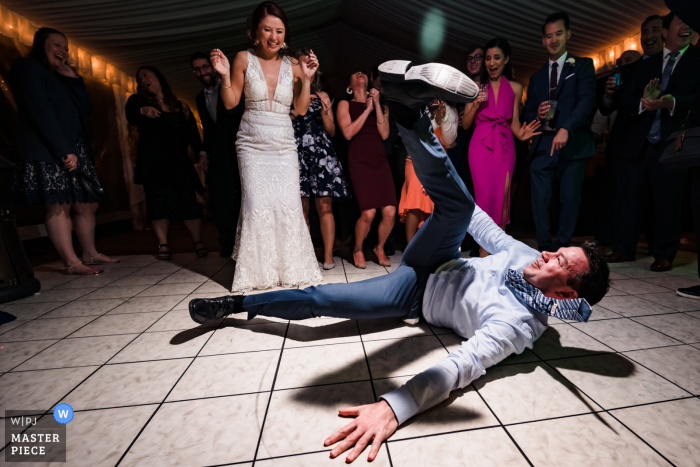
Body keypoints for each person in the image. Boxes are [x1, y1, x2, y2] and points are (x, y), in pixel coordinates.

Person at [188, 61, 610, 463]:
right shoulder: (527, 255)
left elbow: (462, 365)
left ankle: (238, 306)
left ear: (566, 292)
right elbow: (483, 226)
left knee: (325, 299)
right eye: (560, 248)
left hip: (413, 293)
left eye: (561, 261)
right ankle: (411, 114)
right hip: (438, 256)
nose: (549, 252)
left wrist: (394, 408)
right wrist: (446, 192)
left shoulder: (516, 325)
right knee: (463, 210)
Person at [210, 0, 322, 292]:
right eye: (268, 30)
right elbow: (232, 101)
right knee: (256, 205)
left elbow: (298, 109)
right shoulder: (243, 59)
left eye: (280, 31)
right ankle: (258, 275)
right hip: (252, 143)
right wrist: (224, 75)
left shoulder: (294, 65)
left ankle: (291, 270)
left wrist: (307, 80)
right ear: (254, 32)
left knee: (288, 206)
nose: (274, 37)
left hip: (283, 144)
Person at [9, 27, 118, 275]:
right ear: (41, 45)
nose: (63, 51)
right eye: (57, 44)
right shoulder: (26, 66)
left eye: (66, 48)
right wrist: (63, 149)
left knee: (87, 202)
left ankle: (89, 253)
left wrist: (71, 76)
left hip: (74, 145)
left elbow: (86, 109)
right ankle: (71, 261)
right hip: (49, 145)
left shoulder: (60, 76)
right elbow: (41, 110)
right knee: (59, 203)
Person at [610, 12, 700, 272]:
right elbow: (622, 101)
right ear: (665, 31)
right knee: (629, 198)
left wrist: (669, 102)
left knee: (669, 201)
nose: (687, 27)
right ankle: (623, 248)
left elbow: (695, 99)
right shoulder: (643, 65)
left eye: (691, 24)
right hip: (638, 143)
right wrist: (644, 102)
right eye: (680, 22)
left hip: (673, 143)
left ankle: (664, 253)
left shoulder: (697, 61)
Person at [524, 12, 597, 252]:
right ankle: (543, 246)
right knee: (540, 198)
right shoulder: (535, 78)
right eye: (548, 36)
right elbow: (527, 113)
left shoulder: (583, 65)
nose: (553, 39)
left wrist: (566, 127)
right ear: (543, 41)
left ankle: (563, 245)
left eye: (558, 33)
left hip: (573, 141)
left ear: (568, 34)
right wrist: (537, 114)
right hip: (543, 144)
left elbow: (587, 100)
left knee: (569, 198)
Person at [462, 38, 542, 257]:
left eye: (496, 57)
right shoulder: (475, 88)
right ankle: (482, 253)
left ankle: (497, 255)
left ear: (506, 59)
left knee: (502, 200)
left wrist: (522, 134)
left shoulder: (516, 88)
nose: (491, 62)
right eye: (488, 58)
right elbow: (466, 124)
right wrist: (476, 104)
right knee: (483, 198)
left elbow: (514, 123)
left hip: (506, 147)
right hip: (479, 146)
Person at [125, 66, 207, 260]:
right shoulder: (138, 101)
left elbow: (193, 136)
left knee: (189, 201)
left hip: (180, 161)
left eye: (146, 74)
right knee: (158, 203)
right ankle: (163, 244)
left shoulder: (181, 106)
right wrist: (143, 110)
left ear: (158, 77)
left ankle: (197, 241)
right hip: (155, 163)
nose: (143, 79)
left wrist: (202, 155)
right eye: (139, 78)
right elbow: (131, 115)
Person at [291, 65, 350, 269]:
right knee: (302, 210)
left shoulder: (322, 94)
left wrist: (326, 113)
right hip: (295, 153)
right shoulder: (287, 95)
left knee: (325, 206)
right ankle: (306, 257)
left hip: (321, 153)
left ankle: (328, 256)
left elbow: (333, 131)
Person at [337, 71, 395, 269]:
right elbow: (347, 132)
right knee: (368, 212)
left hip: (379, 159)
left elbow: (385, 133)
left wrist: (376, 104)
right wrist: (366, 109)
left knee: (389, 211)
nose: (360, 74)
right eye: (355, 74)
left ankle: (379, 247)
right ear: (349, 86)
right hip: (360, 160)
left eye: (362, 73)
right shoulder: (345, 104)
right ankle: (358, 249)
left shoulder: (382, 106)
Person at [191, 52, 246, 258]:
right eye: (197, 69)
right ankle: (226, 244)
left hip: (239, 151)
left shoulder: (234, 88)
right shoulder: (198, 98)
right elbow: (208, 129)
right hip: (217, 156)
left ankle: (244, 243)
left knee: (242, 197)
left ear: (213, 67)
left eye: (205, 66)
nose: (202, 72)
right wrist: (203, 153)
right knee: (219, 201)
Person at [398, 100, 457, 244]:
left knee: (435, 205)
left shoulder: (449, 109)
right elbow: (412, 134)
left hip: (438, 162)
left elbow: (449, 141)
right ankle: (410, 248)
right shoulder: (418, 104)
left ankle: (427, 248)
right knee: (415, 200)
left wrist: (443, 119)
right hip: (417, 158)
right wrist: (434, 121)